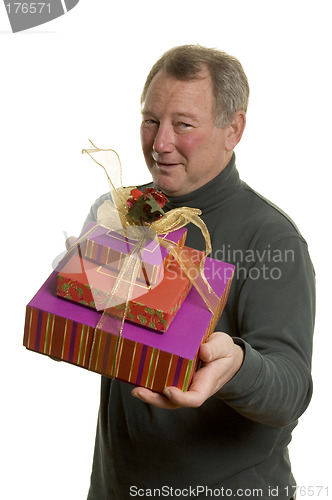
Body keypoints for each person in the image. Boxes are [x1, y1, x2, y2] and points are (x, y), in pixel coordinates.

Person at [84, 45, 315, 499]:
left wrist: (238, 366)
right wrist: (74, 297)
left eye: (183, 125)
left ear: (234, 129)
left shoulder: (272, 240)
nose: (159, 143)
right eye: (151, 120)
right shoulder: (122, 213)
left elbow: (291, 390)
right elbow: (103, 338)